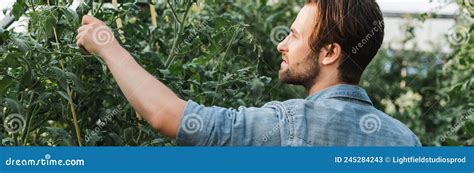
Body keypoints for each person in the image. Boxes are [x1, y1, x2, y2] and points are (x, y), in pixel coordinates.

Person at [76, 0, 421, 146]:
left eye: (295, 36)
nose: (281, 45)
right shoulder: (407, 141)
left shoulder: (290, 124)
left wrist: (107, 45)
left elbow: (167, 115)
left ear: (330, 53)